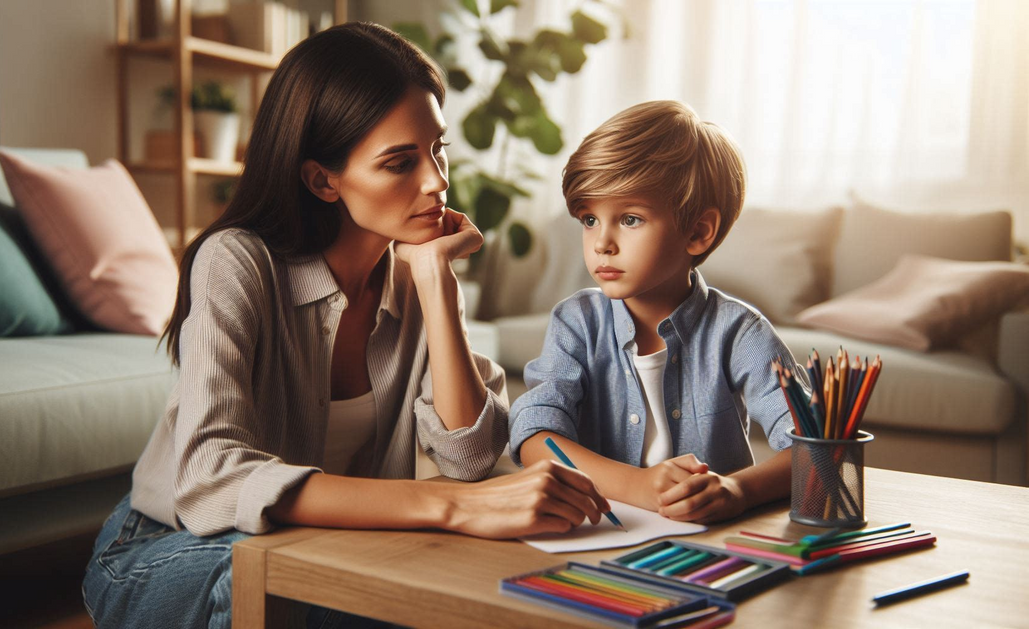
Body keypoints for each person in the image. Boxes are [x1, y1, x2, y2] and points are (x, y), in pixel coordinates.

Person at [83, 22, 611, 629]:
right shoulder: (236, 260)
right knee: (287, 581)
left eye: (438, 148)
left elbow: (467, 457)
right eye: (399, 162)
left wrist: (437, 281)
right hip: (170, 550)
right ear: (322, 179)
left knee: (421, 592)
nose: (437, 181)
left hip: (320, 542)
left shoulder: (417, 274)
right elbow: (212, 477)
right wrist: (450, 506)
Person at [509, 100, 806, 525]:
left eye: (629, 219)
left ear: (698, 232)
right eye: (590, 219)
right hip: (603, 537)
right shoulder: (575, 323)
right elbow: (536, 437)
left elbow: (815, 446)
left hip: (708, 542)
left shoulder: (740, 333)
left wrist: (738, 490)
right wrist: (636, 486)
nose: (601, 243)